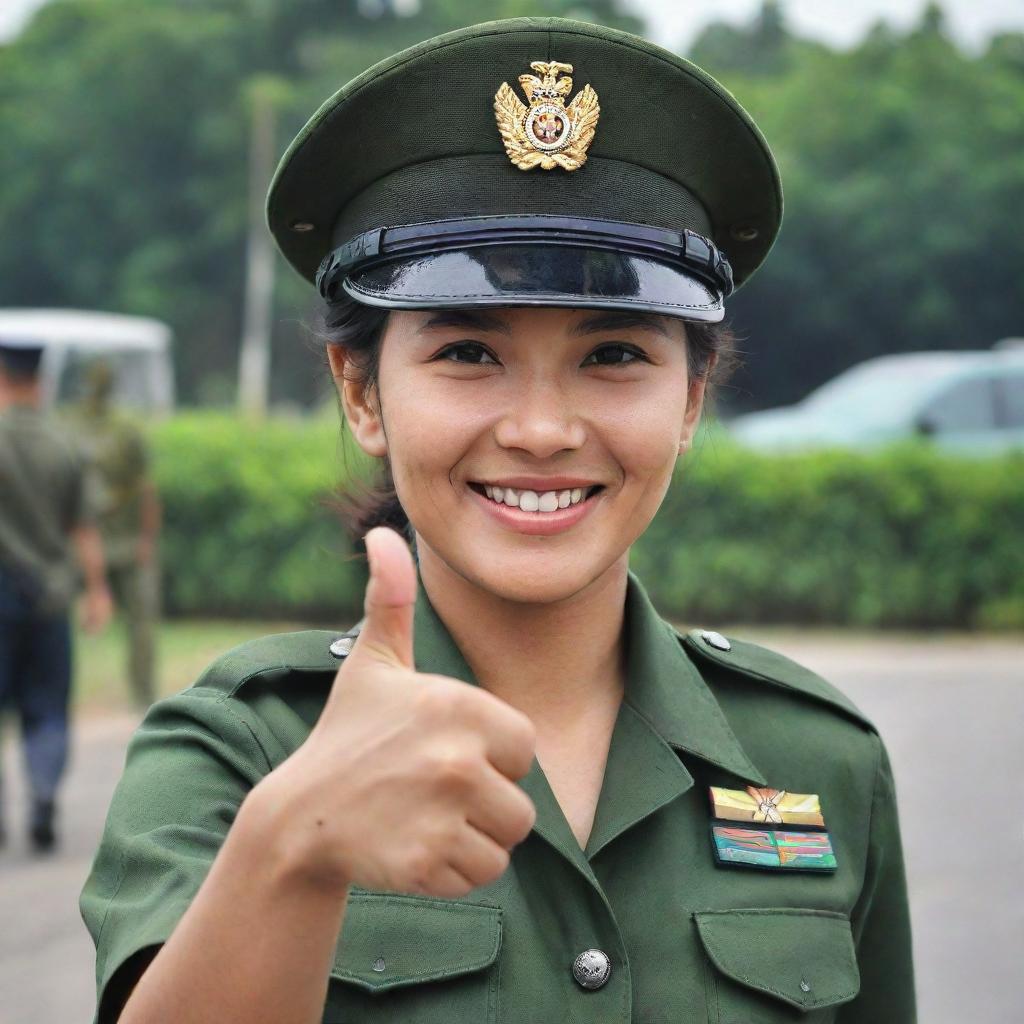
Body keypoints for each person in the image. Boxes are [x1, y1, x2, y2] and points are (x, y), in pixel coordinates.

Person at [81, 17, 915, 1023]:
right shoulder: (236, 751)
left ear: (691, 399)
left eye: (613, 355)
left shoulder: (818, 761)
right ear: (362, 392)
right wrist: (291, 845)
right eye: (468, 352)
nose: (540, 429)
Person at [0, 338, 113, 852]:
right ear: (40, 381)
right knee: (47, 704)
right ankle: (43, 796)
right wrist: (97, 590)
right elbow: (83, 527)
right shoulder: (66, 443)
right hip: (48, 596)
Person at [69, 360, 161, 710]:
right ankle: (139, 697)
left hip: (116, 542)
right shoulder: (81, 427)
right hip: (96, 542)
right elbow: (147, 489)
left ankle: (143, 697)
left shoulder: (78, 427)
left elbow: (145, 489)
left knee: (140, 627)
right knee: (137, 626)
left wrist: (146, 539)